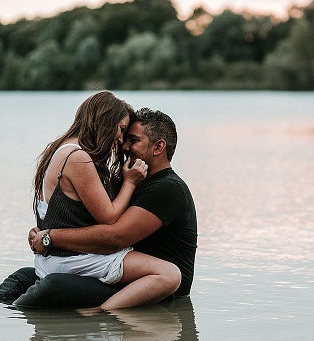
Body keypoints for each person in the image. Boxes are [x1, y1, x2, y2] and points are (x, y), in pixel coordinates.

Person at [25, 108, 198, 308]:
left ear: (158, 147)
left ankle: (103, 317)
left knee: (54, 285)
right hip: (119, 275)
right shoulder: (133, 180)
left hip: (154, 291)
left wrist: (51, 237)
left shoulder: (167, 188)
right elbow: (85, 219)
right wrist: (45, 228)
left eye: (133, 140)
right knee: (25, 276)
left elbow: (115, 238)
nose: (124, 146)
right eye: (124, 138)